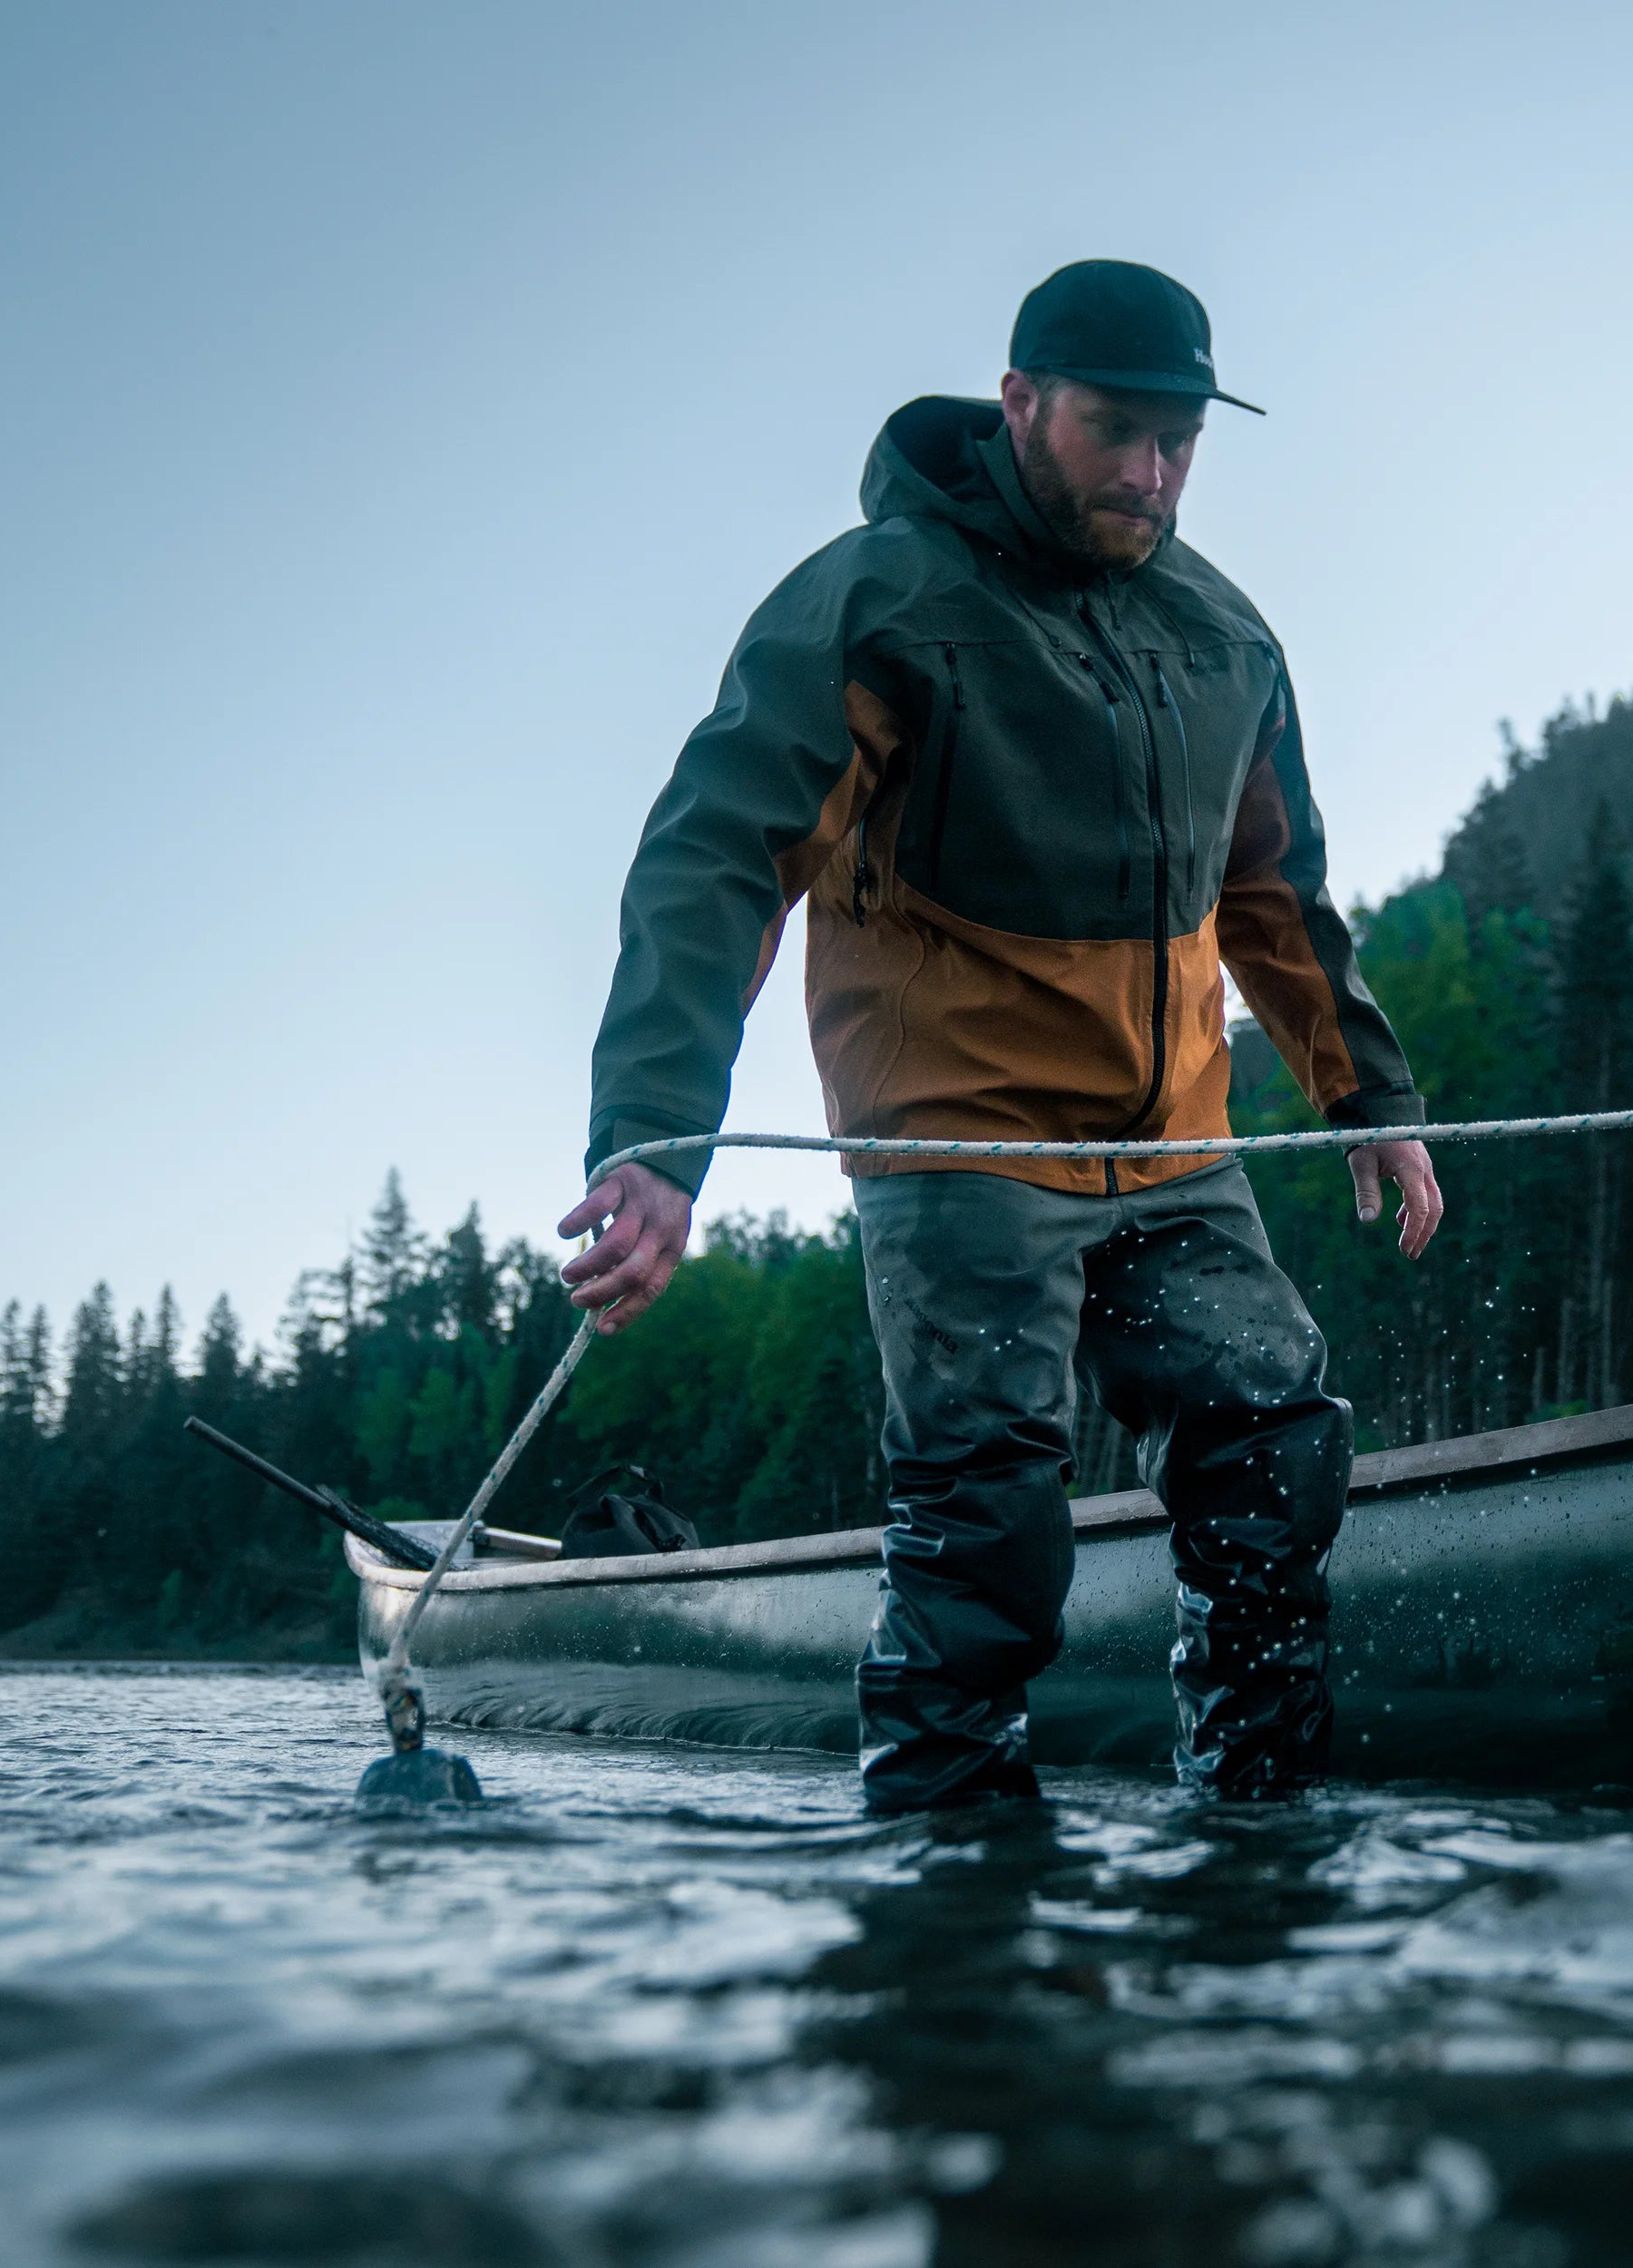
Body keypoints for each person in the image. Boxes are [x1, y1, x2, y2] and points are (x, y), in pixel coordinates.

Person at [560, 259, 1442, 1812]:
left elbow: (1274, 890)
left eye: (1181, 440)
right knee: (991, 1521)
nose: (1153, 472)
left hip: (1172, 1143)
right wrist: (653, 1139)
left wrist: (1366, 1088)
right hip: (957, 1134)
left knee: (1276, 1443)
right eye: (1117, 431)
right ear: (1023, 402)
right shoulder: (876, 598)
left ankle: (1256, 1828)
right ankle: (946, 1896)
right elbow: (716, 858)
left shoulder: (1228, 637)